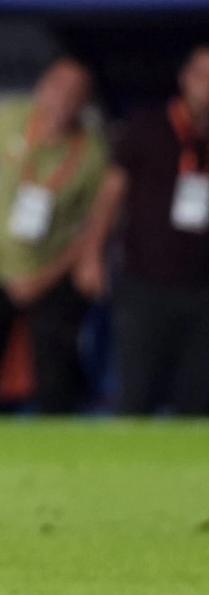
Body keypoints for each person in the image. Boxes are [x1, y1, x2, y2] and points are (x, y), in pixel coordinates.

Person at [0, 59, 107, 414]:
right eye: (58, 86)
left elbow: (95, 225)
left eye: (76, 92)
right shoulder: (9, 118)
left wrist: (45, 278)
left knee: (56, 382)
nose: (64, 98)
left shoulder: (92, 152)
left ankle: (56, 441)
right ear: (41, 87)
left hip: (48, 271)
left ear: (86, 102)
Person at [72, 44, 209, 415]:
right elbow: (109, 196)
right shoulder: (146, 127)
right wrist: (91, 254)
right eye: (202, 76)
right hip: (144, 283)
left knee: (198, 400)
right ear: (185, 79)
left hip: (203, 289)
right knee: (137, 395)